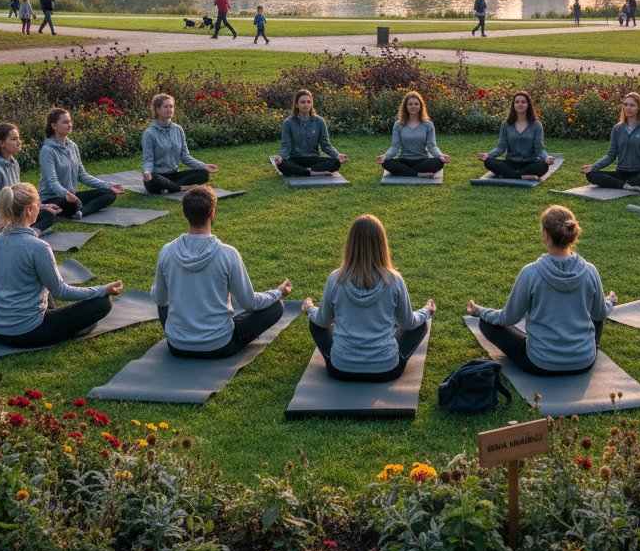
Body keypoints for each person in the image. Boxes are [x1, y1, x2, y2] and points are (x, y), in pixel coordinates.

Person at [467, 205, 616, 375]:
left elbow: (508, 318)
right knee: (597, 315)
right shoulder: (590, 271)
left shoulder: (531, 272)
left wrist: (480, 311)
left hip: (540, 363)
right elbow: (600, 314)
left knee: (487, 323)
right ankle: (587, 349)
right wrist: (609, 302)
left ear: (545, 235)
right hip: (584, 361)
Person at [152, 186, 290, 357]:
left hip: (177, 345)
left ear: (184, 213)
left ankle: (185, 333)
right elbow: (249, 302)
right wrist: (278, 292)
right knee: (276, 306)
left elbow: (159, 298)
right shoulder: (228, 254)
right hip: (219, 345)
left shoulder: (167, 251)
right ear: (212, 213)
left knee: (163, 302)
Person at [0, 183, 122, 348]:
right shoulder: (38, 247)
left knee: (43, 282)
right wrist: (103, 289)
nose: (40, 208)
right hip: (27, 332)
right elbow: (61, 291)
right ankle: (72, 328)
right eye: (38, 204)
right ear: (30, 209)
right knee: (102, 303)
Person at [302, 214, 434, 381]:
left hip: (341, 369)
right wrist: (426, 312)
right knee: (420, 325)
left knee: (315, 323)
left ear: (350, 244)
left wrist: (310, 309)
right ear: (381, 244)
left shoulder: (335, 279)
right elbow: (408, 323)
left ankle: (347, 355)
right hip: (386, 370)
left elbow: (323, 321)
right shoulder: (394, 280)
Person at [38, 107, 125, 219]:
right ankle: (76, 209)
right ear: (54, 126)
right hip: (54, 198)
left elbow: (82, 175)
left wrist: (109, 185)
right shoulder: (47, 151)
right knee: (71, 203)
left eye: (70, 121)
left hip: (71, 196)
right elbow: (52, 181)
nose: (70, 125)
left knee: (109, 193)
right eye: (65, 122)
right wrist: (66, 194)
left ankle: (81, 212)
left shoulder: (73, 146)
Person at [0, 123, 61, 234]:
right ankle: (26, 233)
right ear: (1, 143)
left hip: (15, 215)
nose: (19, 142)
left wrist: (41, 206)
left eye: (18, 138)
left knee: (47, 214)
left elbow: (19, 197)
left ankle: (31, 231)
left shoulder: (14, 163)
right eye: (14, 139)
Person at [580, 92, 640, 192]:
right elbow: (611, 155)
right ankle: (626, 186)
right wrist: (594, 167)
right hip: (620, 173)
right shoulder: (617, 129)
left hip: (639, 173)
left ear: (639, 108)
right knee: (591, 175)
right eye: (625, 104)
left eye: (632, 105)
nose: (628, 108)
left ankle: (622, 184)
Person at [142, 94, 217, 194]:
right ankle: (182, 188)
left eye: (171, 106)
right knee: (154, 180)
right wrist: (147, 172)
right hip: (157, 176)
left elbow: (185, 156)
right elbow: (148, 159)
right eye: (166, 107)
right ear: (157, 110)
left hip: (174, 176)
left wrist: (204, 166)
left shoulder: (178, 129)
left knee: (203, 173)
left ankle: (171, 187)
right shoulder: (149, 133)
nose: (169, 109)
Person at [478, 90, 556, 181]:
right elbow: (501, 148)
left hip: (530, 163)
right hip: (511, 163)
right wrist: (488, 155)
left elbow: (539, 149)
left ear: (528, 105)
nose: (520, 104)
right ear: (513, 105)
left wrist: (546, 158)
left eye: (523, 102)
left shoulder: (536, 125)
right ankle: (522, 176)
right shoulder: (506, 124)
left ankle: (509, 174)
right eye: (517, 102)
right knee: (488, 162)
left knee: (543, 165)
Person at [273, 89, 349, 177]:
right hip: (296, 159)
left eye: (308, 102)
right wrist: (280, 156)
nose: (306, 104)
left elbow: (326, 145)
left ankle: (303, 171)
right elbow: (285, 146)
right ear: (297, 104)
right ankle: (311, 172)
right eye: (303, 102)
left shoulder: (319, 121)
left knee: (336, 163)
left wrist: (337, 155)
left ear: (311, 104)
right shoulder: (288, 123)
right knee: (282, 164)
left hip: (314, 159)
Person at [376, 90, 451, 177]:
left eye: (416, 104)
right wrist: (385, 156)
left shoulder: (428, 125)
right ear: (405, 106)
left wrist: (441, 155)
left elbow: (432, 146)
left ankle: (406, 172)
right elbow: (394, 147)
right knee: (386, 162)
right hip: (404, 160)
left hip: (422, 160)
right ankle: (418, 174)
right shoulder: (398, 124)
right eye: (410, 104)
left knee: (438, 162)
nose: (413, 106)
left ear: (420, 106)